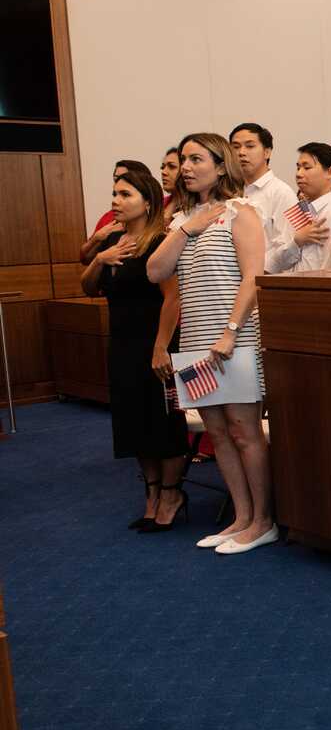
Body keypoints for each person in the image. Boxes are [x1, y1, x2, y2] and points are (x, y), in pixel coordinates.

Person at [146, 133, 276, 556]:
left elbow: (252, 277)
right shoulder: (182, 219)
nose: (185, 166)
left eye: (196, 158)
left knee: (244, 432)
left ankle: (263, 521)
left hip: (233, 339)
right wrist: (186, 227)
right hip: (196, 343)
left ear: (221, 166)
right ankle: (240, 517)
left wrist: (232, 331)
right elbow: (154, 271)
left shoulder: (242, 212)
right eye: (183, 158)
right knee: (217, 434)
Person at [80, 170, 189, 533]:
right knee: (133, 424)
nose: (115, 200)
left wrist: (161, 348)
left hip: (155, 344)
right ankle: (152, 494)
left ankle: (172, 494)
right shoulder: (115, 240)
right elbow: (88, 288)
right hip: (123, 345)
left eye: (125, 194)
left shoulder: (160, 240)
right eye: (114, 193)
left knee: (162, 423)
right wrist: (100, 258)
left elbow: (172, 299)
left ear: (147, 202)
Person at [229, 123, 301, 275]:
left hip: (264, 282)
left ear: (267, 152)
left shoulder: (282, 193)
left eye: (249, 146)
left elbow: (291, 246)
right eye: (235, 147)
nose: (241, 152)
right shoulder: (229, 192)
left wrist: (254, 273)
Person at [288, 142, 331, 271]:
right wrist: (296, 242)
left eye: (307, 167)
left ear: (330, 172)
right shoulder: (299, 210)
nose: (299, 174)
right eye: (298, 167)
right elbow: (276, 263)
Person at [81, 160, 154, 262]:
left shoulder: (155, 231)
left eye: (125, 177)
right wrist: (96, 238)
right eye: (116, 179)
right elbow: (85, 259)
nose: (119, 183)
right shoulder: (109, 217)